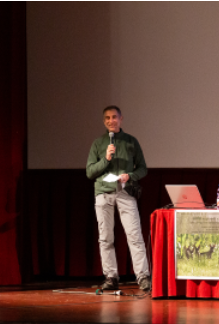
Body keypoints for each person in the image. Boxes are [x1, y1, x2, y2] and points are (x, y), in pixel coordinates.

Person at [86, 105, 151, 291]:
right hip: (103, 193)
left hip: (125, 192)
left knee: (135, 236)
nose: (110, 121)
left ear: (121, 119)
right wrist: (105, 159)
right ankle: (111, 277)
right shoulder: (98, 143)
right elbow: (90, 172)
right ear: (104, 121)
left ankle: (143, 276)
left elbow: (143, 168)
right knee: (105, 238)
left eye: (114, 117)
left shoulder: (131, 142)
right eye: (107, 118)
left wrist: (130, 176)